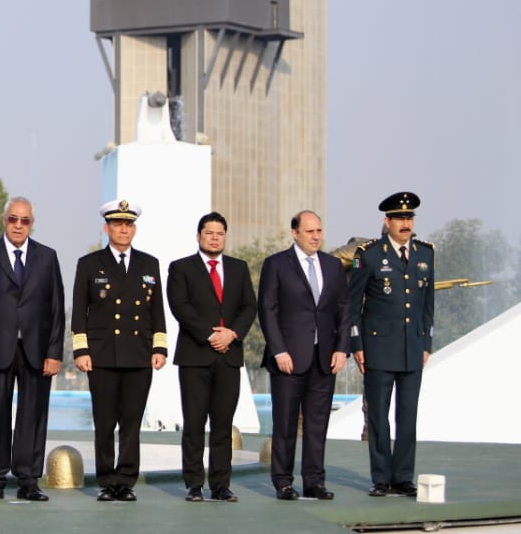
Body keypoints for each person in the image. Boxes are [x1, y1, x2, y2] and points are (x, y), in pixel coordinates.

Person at [0, 197, 65, 502]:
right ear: (4, 220)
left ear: (32, 223)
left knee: (33, 415)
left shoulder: (47, 257)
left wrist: (54, 352)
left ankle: (28, 480)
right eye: (13, 219)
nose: (18, 225)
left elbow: (56, 309)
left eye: (25, 220)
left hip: (36, 350)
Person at [72, 199, 167, 502]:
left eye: (128, 224)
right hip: (102, 355)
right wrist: (81, 350)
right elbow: (79, 312)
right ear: (107, 228)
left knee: (131, 423)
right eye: (117, 224)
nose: (123, 230)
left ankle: (125, 481)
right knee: (104, 423)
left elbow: (157, 310)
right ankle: (106, 480)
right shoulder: (90, 264)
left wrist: (160, 347)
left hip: (138, 354)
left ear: (134, 229)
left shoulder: (149, 264)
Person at [258, 210, 350, 501]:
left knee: (317, 425)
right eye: (310, 231)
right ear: (294, 233)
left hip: (324, 359)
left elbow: (344, 309)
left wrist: (342, 348)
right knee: (285, 424)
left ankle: (314, 482)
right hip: (288, 359)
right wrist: (279, 350)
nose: (316, 236)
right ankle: (283, 482)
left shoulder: (333, 266)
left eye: (319, 231)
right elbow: (267, 310)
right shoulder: (276, 264)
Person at [166, 211, 257, 503]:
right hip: (195, 356)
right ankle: (194, 484)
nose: (215, 238)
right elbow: (180, 306)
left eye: (220, 233)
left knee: (222, 425)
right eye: (209, 233)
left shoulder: (239, 268)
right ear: (198, 236)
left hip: (229, 356)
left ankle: (221, 485)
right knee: (194, 424)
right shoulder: (181, 268)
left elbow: (249, 306)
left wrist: (232, 334)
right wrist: (209, 335)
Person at [350, 191, 434, 498]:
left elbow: (428, 303)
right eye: (399, 218)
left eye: (409, 218)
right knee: (378, 417)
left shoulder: (425, 253)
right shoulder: (368, 254)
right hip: (378, 348)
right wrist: (356, 344)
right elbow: (352, 304)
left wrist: (427, 342)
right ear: (387, 222)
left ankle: (403, 477)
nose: (405, 223)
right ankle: (381, 478)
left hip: (412, 348)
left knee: (407, 416)